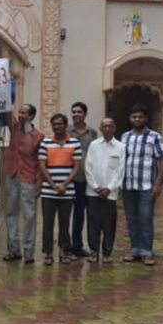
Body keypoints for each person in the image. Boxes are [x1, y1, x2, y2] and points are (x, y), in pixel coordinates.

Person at [121, 103, 163, 266]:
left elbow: (162, 160)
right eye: (134, 117)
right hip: (128, 185)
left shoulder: (154, 136)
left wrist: (158, 184)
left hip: (147, 185)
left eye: (140, 116)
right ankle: (135, 250)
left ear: (146, 118)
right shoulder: (125, 137)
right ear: (130, 119)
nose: (137, 119)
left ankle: (147, 251)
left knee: (145, 218)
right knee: (131, 219)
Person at [2, 103, 44, 264]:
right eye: (19, 112)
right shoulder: (14, 129)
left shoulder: (38, 136)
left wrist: (39, 183)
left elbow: (41, 162)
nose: (20, 115)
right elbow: (7, 111)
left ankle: (29, 253)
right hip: (11, 175)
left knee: (30, 216)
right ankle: (13, 250)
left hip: (28, 178)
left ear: (32, 116)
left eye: (24, 113)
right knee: (11, 213)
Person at [38, 113, 82, 266]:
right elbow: (42, 166)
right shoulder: (46, 143)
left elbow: (76, 167)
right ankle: (48, 253)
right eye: (54, 124)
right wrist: (52, 184)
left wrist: (64, 184)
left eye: (60, 124)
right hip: (48, 191)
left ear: (65, 125)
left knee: (64, 223)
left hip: (67, 191)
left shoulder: (74, 143)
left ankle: (63, 251)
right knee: (48, 223)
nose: (57, 127)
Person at [84, 117, 125, 264]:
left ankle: (107, 252)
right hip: (93, 191)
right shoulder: (94, 145)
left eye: (110, 126)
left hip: (110, 193)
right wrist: (95, 186)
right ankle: (93, 251)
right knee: (93, 222)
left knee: (109, 223)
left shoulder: (120, 147)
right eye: (104, 126)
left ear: (114, 128)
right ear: (100, 129)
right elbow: (88, 167)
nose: (107, 129)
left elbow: (120, 171)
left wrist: (109, 188)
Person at [68, 102, 98, 259]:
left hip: (86, 179)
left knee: (82, 214)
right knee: (66, 214)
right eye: (73, 112)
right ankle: (66, 246)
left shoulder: (92, 133)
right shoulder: (67, 132)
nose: (76, 114)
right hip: (68, 179)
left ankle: (78, 246)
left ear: (85, 114)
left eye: (79, 112)